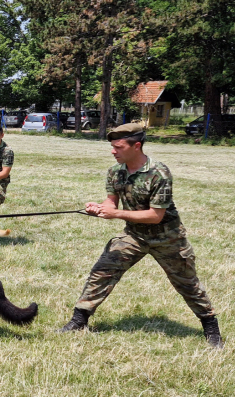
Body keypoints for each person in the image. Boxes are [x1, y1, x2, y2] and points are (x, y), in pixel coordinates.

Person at [59, 122, 223, 348]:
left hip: (168, 237)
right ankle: (79, 320)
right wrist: (99, 207)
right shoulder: (115, 172)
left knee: (187, 284)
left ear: (136, 146)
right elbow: (111, 201)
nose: (113, 151)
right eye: (112, 146)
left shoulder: (159, 173)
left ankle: (211, 328)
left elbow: (156, 215)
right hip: (134, 235)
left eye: (119, 147)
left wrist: (115, 213)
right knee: (102, 271)